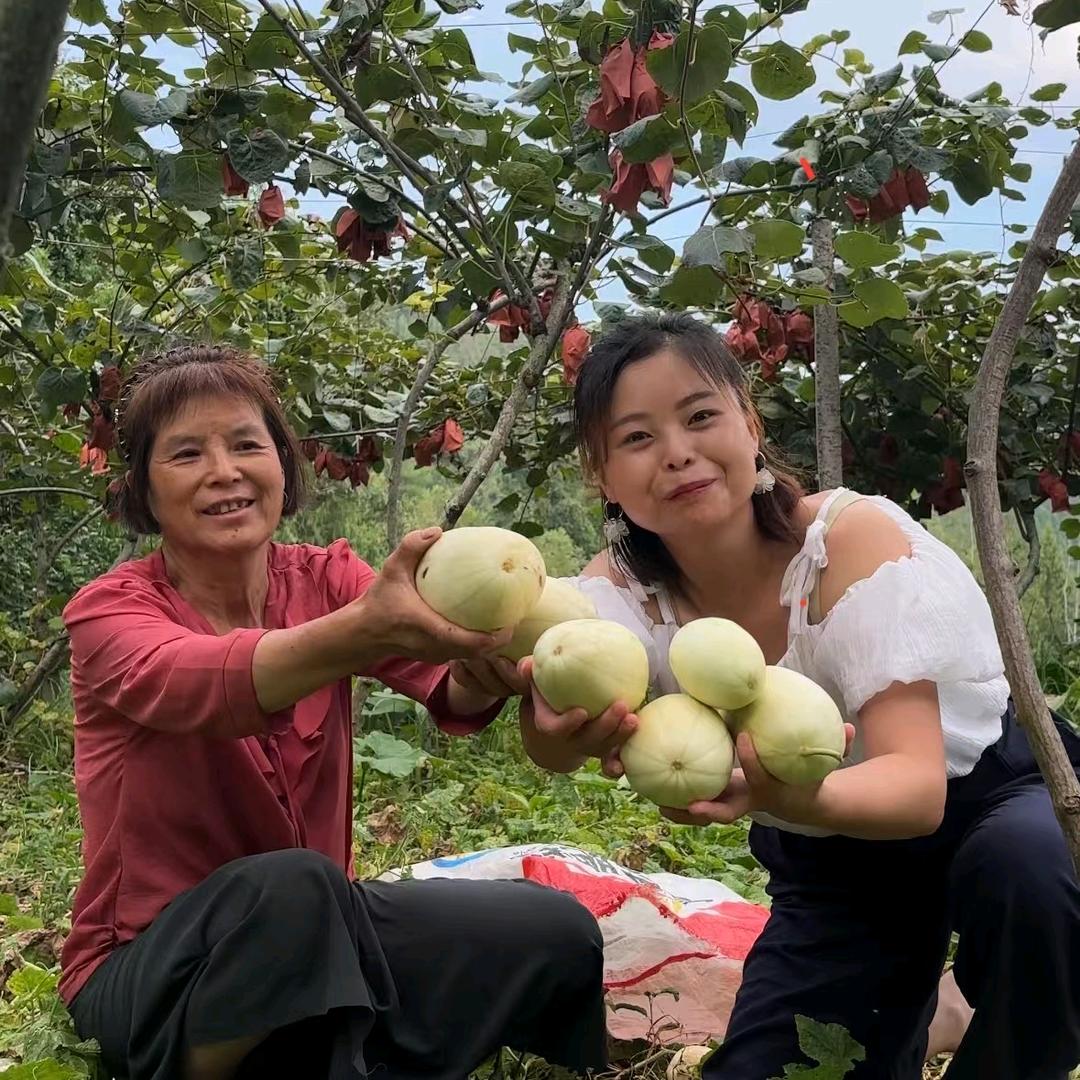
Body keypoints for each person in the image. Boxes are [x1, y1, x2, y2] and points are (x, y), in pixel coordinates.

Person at [473, 312, 1080, 1079]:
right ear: (602, 475)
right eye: (637, 437)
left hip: (987, 793)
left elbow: (918, 789)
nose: (678, 452)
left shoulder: (848, 544)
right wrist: (551, 718)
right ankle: (930, 1011)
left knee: (1034, 871)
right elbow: (556, 741)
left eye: (700, 417)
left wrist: (785, 798)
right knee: (776, 1066)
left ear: (750, 424)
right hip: (833, 859)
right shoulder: (622, 598)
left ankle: (988, 1029)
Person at [59, 345, 607, 1080]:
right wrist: (363, 631)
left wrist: (486, 670)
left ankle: (320, 1040)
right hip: (150, 968)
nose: (224, 471)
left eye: (246, 444)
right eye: (186, 454)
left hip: (325, 928)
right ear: (144, 492)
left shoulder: (327, 579)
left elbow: (445, 684)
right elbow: (199, 682)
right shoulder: (109, 612)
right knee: (294, 887)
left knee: (556, 932)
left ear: (282, 465)